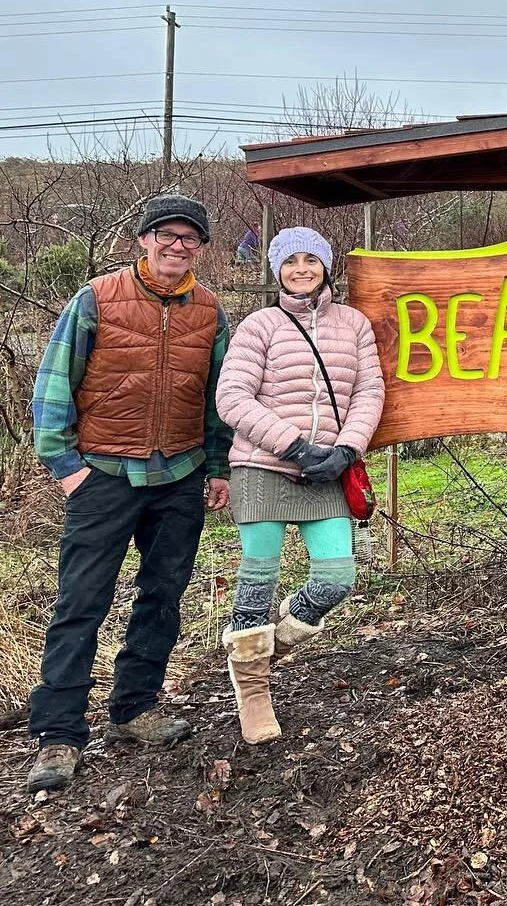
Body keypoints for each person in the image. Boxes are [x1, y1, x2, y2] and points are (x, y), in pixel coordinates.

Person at [27, 196, 232, 794]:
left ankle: (135, 706)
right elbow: (54, 382)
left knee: (163, 594)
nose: (177, 246)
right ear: (143, 239)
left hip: (180, 475)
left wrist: (217, 466)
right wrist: (65, 466)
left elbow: (217, 397)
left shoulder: (210, 310)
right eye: (166, 234)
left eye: (189, 238)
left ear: (200, 248)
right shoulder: (96, 298)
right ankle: (59, 731)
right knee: (81, 600)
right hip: (104, 473)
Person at [215, 227, 384, 744]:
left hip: (328, 468)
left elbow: (369, 392)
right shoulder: (260, 325)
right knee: (258, 579)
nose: (301, 269)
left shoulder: (353, 324)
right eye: (291, 261)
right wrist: (293, 446)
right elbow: (232, 396)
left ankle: (269, 647)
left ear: (327, 267)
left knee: (337, 578)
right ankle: (253, 691)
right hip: (263, 465)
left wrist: (346, 450)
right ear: (277, 270)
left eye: (312, 259)